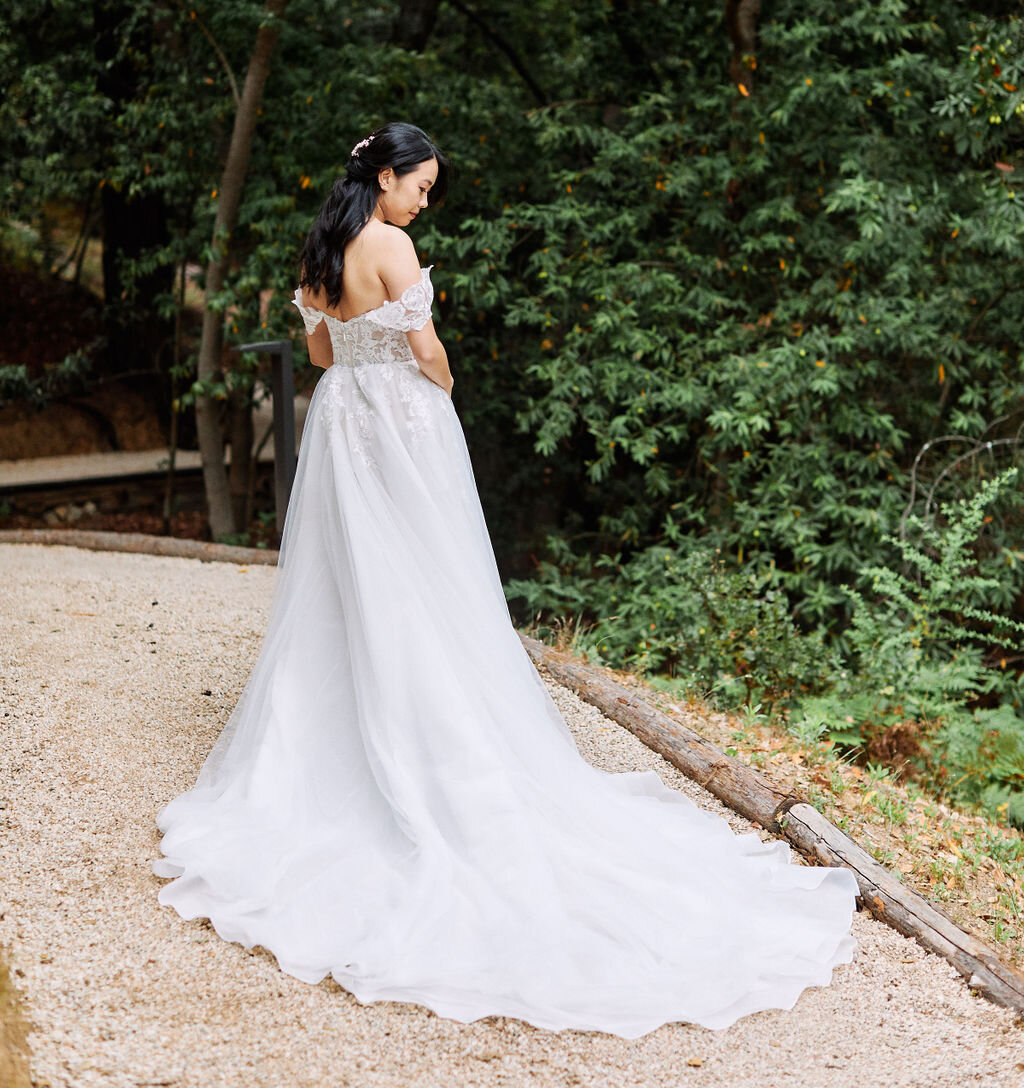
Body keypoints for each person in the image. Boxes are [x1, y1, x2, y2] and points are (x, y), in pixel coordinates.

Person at [154, 120, 857, 1038]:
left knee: (353, 580)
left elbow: (323, 358)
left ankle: (352, 725)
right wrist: (438, 395)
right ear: (390, 177)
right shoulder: (392, 245)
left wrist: (361, 365)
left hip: (340, 427)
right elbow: (428, 349)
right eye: (422, 185)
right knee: (433, 576)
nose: (424, 201)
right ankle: (439, 728)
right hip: (401, 423)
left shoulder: (321, 252)